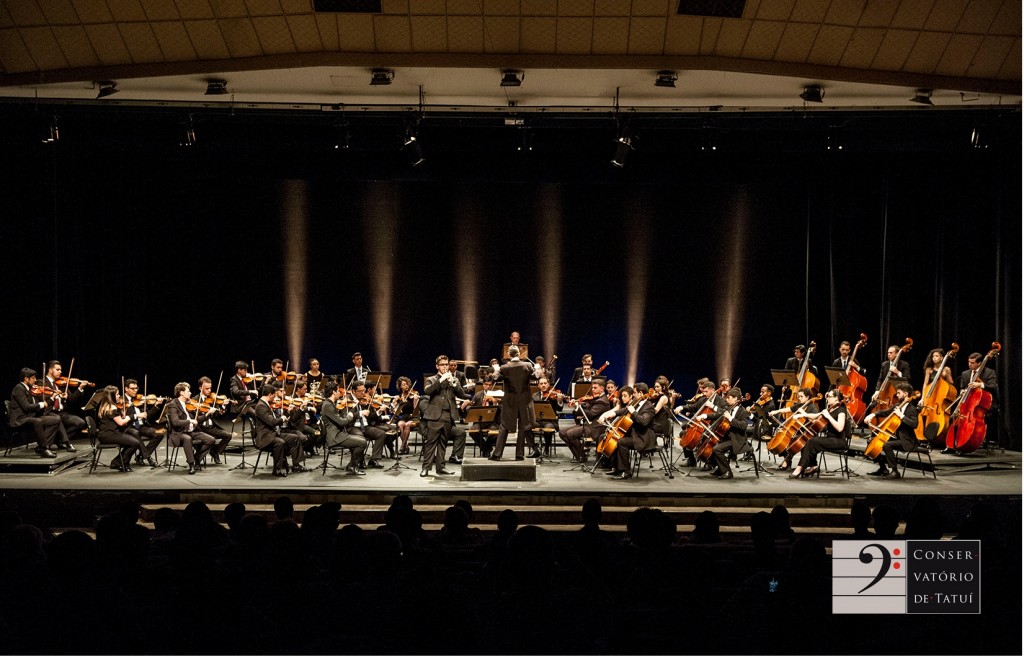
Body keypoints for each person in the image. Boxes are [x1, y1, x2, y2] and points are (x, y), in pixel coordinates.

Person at [598, 384, 656, 480]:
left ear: (641, 393)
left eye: (634, 393)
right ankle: (616, 468)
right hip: (635, 434)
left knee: (621, 442)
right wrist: (612, 414)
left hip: (643, 438)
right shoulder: (637, 402)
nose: (633, 395)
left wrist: (634, 412)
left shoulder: (648, 407)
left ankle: (626, 471)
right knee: (616, 438)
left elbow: (644, 422)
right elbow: (624, 410)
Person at [490, 345, 537, 461]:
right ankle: (519, 455)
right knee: (522, 427)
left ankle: (497, 454)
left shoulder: (505, 367)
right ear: (519, 354)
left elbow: (495, 378)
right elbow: (536, 376)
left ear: (508, 354)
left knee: (504, 426)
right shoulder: (527, 365)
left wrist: (496, 369)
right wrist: (537, 368)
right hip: (524, 400)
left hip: (510, 401)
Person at [419, 355, 463, 477]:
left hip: (448, 416)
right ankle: (426, 468)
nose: (445, 367)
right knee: (431, 443)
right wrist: (441, 380)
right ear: (437, 366)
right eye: (442, 364)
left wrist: (455, 385)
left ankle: (441, 467)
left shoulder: (452, 379)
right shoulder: (432, 379)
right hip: (435, 416)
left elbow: (462, 394)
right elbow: (427, 391)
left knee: (443, 443)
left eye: (446, 364)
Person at [790, 388, 850, 478]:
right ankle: (813, 466)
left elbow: (840, 428)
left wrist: (829, 416)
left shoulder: (841, 410)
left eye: (829, 397)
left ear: (836, 398)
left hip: (838, 441)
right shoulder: (830, 409)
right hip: (830, 438)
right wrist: (803, 415)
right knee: (809, 440)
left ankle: (799, 468)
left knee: (812, 442)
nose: (827, 399)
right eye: (827, 396)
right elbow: (815, 416)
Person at [863, 382, 919, 479]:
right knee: (872, 440)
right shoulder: (898, 405)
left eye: (898, 393)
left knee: (887, 445)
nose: (896, 395)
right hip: (897, 437)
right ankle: (883, 468)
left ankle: (895, 471)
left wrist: (901, 416)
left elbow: (914, 424)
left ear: (905, 394)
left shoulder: (912, 409)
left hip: (907, 441)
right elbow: (885, 412)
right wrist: (873, 414)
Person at [8, 367, 61, 457]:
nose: (35, 380)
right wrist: (41, 404)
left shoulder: (31, 389)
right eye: (33, 378)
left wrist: (52, 397)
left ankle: (42, 446)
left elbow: (41, 405)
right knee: (37, 421)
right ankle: (44, 448)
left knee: (56, 419)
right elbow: (26, 407)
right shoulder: (19, 388)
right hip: (20, 419)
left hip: (31, 416)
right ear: (26, 379)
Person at [252, 384, 303, 476]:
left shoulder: (265, 405)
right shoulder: (260, 406)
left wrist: (287, 413)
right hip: (265, 437)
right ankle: (277, 470)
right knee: (280, 442)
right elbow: (272, 422)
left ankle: (296, 465)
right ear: (270, 394)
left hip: (273, 434)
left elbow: (276, 419)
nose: (275, 397)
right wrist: (282, 419)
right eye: (274, 395)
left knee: (294, 438)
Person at [166, 382, 216, 475]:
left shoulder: (187, 404)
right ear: (181, 393)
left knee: (211, 440)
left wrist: (207, 414)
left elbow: (196, 420)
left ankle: (196, 459)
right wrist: (190, 421)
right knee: (187, 439)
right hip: (178, 433)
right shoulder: (173, 404)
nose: (190, 393)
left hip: (190, 431)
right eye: (188, 391)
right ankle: (191, 465)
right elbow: (175, 422)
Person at [674, 378, 725, 468]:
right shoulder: (703, 399)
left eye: (706, 392)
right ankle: (691, 460)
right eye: (703, 392)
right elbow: (693, 407)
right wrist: (682, 407)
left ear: (712, 390)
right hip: (701, 426)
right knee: (684, 434)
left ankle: (709, 462)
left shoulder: (721, 401)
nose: (704, 394)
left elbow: (723, 413)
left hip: (713, 428)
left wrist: (712, 406)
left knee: (704, 438)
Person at [701, 387, 750, 479]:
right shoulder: (729, 408)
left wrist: (730, 418)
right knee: (710, 446)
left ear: (736, 398)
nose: (726, 400)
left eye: (729, 398)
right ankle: (720, 468)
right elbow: (717, 415)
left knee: (717, 449)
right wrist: (705, 415)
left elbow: (743, 426)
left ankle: (727, 472)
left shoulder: (743, 411)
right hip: (726, 437)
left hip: (736, 439)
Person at [559, 379, 612, 463]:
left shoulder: (603, 401)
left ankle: (581, 456)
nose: (593, 390)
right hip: (588, 425)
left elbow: (590, 414)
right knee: (562, 432)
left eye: (595, 388)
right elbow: (589, 405)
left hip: (596, 428)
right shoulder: (598, 398)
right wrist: (578, 403)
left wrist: (577, 406)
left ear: (601, 389)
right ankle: (580, 455)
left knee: (570, 434)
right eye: (592, 388)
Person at [319, 381, 366, 475]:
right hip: (335, 437)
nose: (339, 393)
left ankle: (353, 465)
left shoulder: (330, 404)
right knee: (362, 442)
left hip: (337, 434)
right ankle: (352, 466)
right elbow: (341, 422)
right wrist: (350, 415)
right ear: (333, 392)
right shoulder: (328, 405)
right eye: (337, 391)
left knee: (360, 439)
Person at [767, 387, 818, 471]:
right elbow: (788, 409)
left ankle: (787, 461)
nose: (799, 398)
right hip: (798, 430)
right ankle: (787, 460)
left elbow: (815, 422)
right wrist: (776, 411)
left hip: (808, 432)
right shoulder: (800, 405)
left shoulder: (812, 408)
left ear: (808, 397)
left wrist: (804, 414)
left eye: (801, 396)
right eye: (798, 396)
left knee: (793, 441)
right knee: (786, 439)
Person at [95, 385, 142, 471]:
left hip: (108, 433)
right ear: (111, 396)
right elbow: (121, 423)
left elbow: (118, 419)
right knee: (135, 443)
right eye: (117, 394)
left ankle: (117, 462)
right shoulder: (111, 407)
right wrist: (133, 416)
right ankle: (122, 463)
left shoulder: (105, 405)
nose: (119, 396)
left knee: (132, 442)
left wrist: (123, 413)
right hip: (109, 435)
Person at [42, 360, 85, 452]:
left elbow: (72, 399)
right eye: (57, 370)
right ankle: (67, 443)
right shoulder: (41, 382)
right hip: (48, 412)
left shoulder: (61, 384)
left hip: (61, 413)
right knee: (57, 419)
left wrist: (80, 388)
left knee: (80, 423)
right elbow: (43, 399)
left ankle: (59, 440)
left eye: (61, 370)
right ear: (50, 370)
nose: (60, 372)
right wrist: (56, 396)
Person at [121, 378, 162, 468]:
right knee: (135, 433)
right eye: (133, 388)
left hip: (142, 426)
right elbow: (123, 417)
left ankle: (140, 456)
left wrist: (156, 406)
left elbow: (147, 415)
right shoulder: (121, 400)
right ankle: (148, 458)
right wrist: (131, 405)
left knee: (159, 434)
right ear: (126, 389)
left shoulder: (140, 399)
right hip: (129, 427)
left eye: (137, 388)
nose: (135, 390)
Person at [194, 376, 233, 464]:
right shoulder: (194, 400)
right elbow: (196, 419)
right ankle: (197, 459)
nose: (209, 390)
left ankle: (215, 452)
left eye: (210, 388)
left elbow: (218, 415)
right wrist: (207, 413)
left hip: (211, 428)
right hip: (201, 428)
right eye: (206, 388)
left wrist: (223, 406)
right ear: (200, 388)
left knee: (228, 435)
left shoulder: (212, 400)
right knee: (210, 440)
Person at [532, 376, 564, 455]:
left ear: (548, 384)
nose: (543, 385)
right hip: (537, 420)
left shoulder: (553, 396)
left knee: (548, 428)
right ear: (538, 386)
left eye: (545, 383)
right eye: (541, 383)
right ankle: (535, 449)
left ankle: (546, 448)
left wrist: (559, 401)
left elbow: (559, 409)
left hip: (550, 421)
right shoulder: (534, 396)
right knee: (526, 427)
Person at [391, 376, 419, 455]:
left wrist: (415, 400)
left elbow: (415, 410)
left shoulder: (413, 395)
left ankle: (402, 447)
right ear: (400, 386)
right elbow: (393, 411)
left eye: (407, 384)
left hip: (412, 416)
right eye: (403, 384)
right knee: (400, 424)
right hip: (404, 416)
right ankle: (405, 446)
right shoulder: (399, 397)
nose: (406, 386)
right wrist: (394, 402)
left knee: (407, 425)